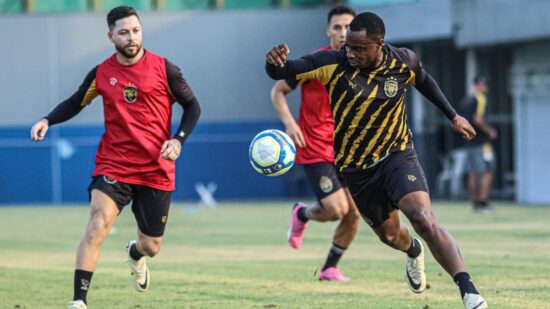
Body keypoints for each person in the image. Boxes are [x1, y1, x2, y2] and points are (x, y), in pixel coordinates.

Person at [265, 12, 488, 309]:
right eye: (348, 46)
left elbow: (424, 81)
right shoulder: (331, 62)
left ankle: (468, 290)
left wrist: (453, 115)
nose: (351, 52)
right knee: (391, 235)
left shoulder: (403, 60)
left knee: (422, 217)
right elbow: (282, 73)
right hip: (356, 168)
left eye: (358, 48)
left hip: (397, 155)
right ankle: (412, 251)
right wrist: (273, 63)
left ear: (378, 44)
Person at [30, 6, 201, 309]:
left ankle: (135, 254)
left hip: (156, 169)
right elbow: (75, 102)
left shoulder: (165, 69)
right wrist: (47, 120)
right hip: (115, 164)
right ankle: (78, 301)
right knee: (98, 223)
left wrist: (178, 140)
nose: (131, 37)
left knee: (152, 246)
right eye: (123, 32)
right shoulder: (102, 72)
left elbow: (193, 107)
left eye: (135, 30)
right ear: (110, 36)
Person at [270, 6, 360, 282]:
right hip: (315, 149)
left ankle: (329, 268)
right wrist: (289, 123)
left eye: (349, 27)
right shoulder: (316, 61)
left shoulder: (361, 65)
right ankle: (303, 213)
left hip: (346, 150)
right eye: (337, 27)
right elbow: (278, 91)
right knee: (335, 210)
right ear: (328, 30)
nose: (343, 33)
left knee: (355, 213)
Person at [460, 75, 497, 213]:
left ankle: (475, 203)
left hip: (469, 142)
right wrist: (490, 130)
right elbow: (478, 119)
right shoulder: (480, 98)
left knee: (473, 172)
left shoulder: (465, 100)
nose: (486, 87)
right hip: (482, 143)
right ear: (478, 85)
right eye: (484, 84)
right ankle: (483, 202)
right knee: (488, 170)